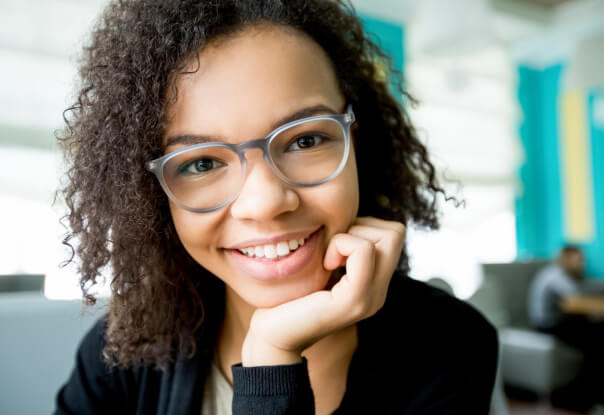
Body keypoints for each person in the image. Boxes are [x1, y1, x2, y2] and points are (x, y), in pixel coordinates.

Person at [53, 1, 498, 414]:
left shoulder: (451, 343)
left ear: (355, 144)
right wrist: (271, 357)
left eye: (305, 140)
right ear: (152, 194)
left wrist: (273, 365)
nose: (265, 202)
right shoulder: (118, 354)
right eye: (202, 163)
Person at [528, 246, 604, 411]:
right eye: (577, 260)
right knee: (596, 339)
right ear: (565, 259)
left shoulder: (566, 276)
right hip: (546, 325)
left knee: (597, 330)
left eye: (581, 260)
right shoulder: (554, 275)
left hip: (561, 320)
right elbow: (575, 298)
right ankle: (584, 397)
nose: (581, 264)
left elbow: (583, 289)